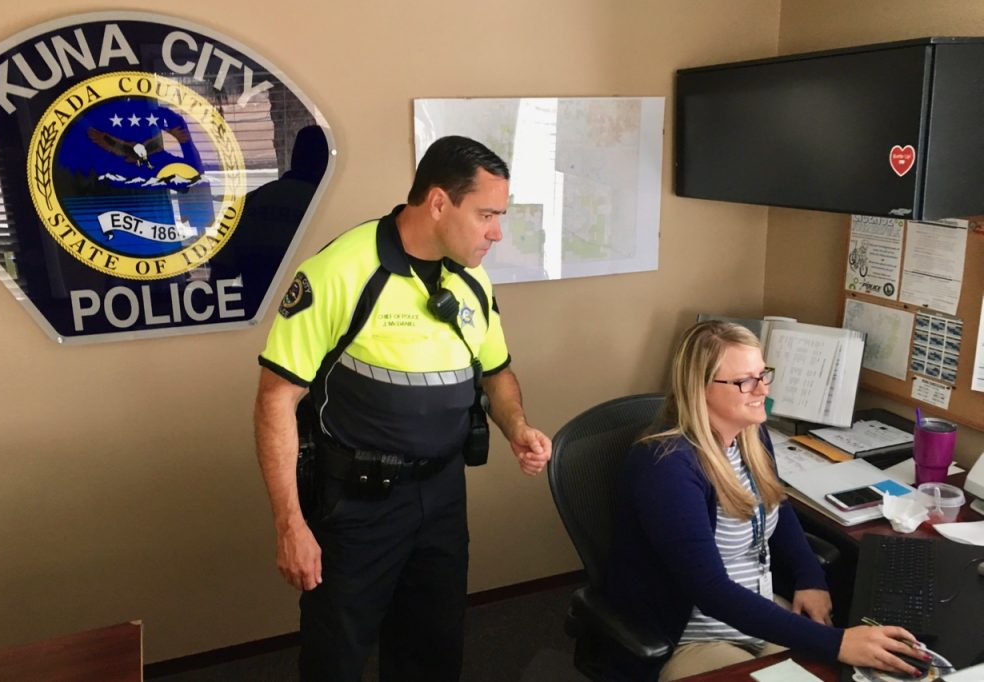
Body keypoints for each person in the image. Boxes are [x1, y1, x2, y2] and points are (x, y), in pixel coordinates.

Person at [253, 135, 552, 682]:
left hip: (442, 494)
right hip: (356, 504)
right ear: (439, 203)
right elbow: (276, 398)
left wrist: (518, 428)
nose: (497, 232)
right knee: (336, 654)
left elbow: (497, 371)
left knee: (433, 647)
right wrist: (289, 524)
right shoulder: (341, 270)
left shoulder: (471, 278)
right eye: (486, 214)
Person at [603, 320, 929, 681]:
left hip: (756, 609)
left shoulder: (750, 435)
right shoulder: (667, 467)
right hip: (689, 635)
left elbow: (777, 507)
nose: (762, 389)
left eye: (763, 373)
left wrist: (810, 577)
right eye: (745, 380)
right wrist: (836, 642)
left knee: (846, 674)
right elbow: (711, 592)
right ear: (700, 388)